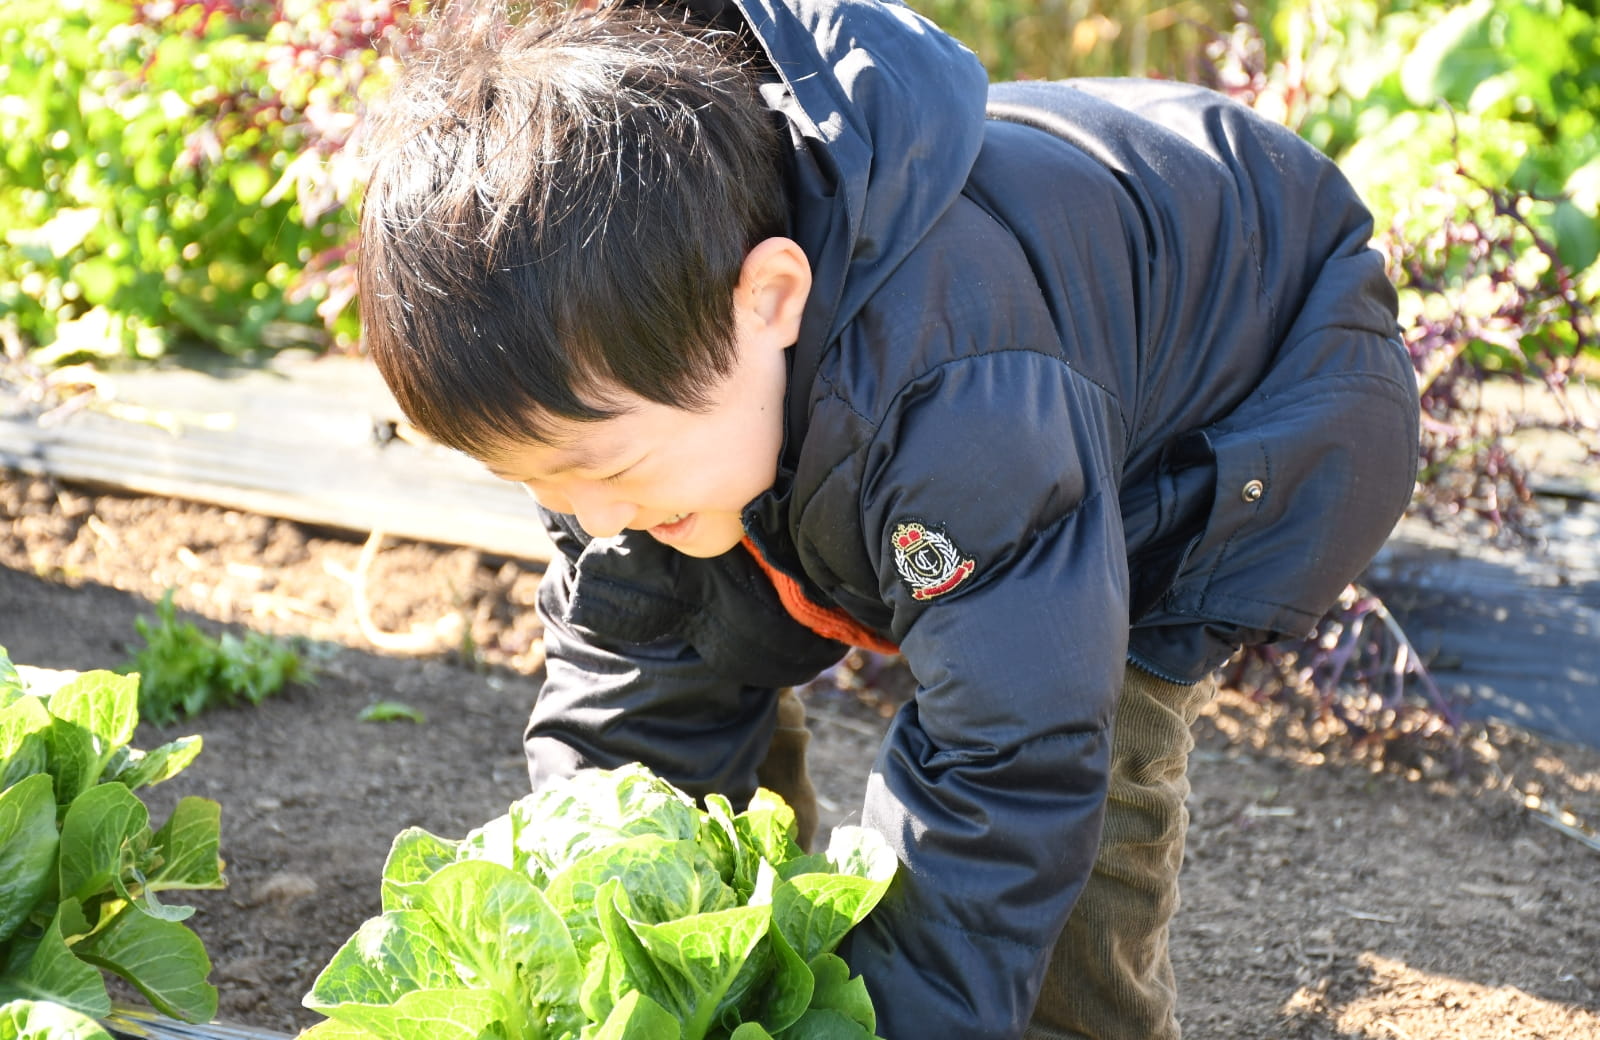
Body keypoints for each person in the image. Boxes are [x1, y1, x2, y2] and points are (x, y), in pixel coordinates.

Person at [354, 0, 1420, 1035]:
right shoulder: (649, 375)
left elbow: (1007, 756)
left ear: (768, 298)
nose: (589, 512)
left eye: (602, 464)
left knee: (1086, 724)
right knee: (681, 619)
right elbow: (631, 697)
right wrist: (605, 943)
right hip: (963, 379)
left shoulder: (959, 406)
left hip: (1259, 377)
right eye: (539, 480)